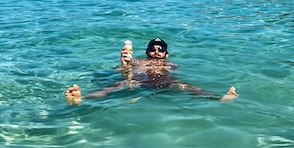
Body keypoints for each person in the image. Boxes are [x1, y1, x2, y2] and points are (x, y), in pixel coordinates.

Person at [65, 37, 238, 104]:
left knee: (188, 87)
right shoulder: (137, 61)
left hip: (164, 82)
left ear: (166, 53)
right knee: (115, 86)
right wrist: (125, 65)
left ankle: (221, 97)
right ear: (147, 51)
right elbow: (121, 71)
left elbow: (174, 74)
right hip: (138, 81)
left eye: (160, 49)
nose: (156, 51)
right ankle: (82, 98)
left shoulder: (171, 65)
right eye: (153, 49)